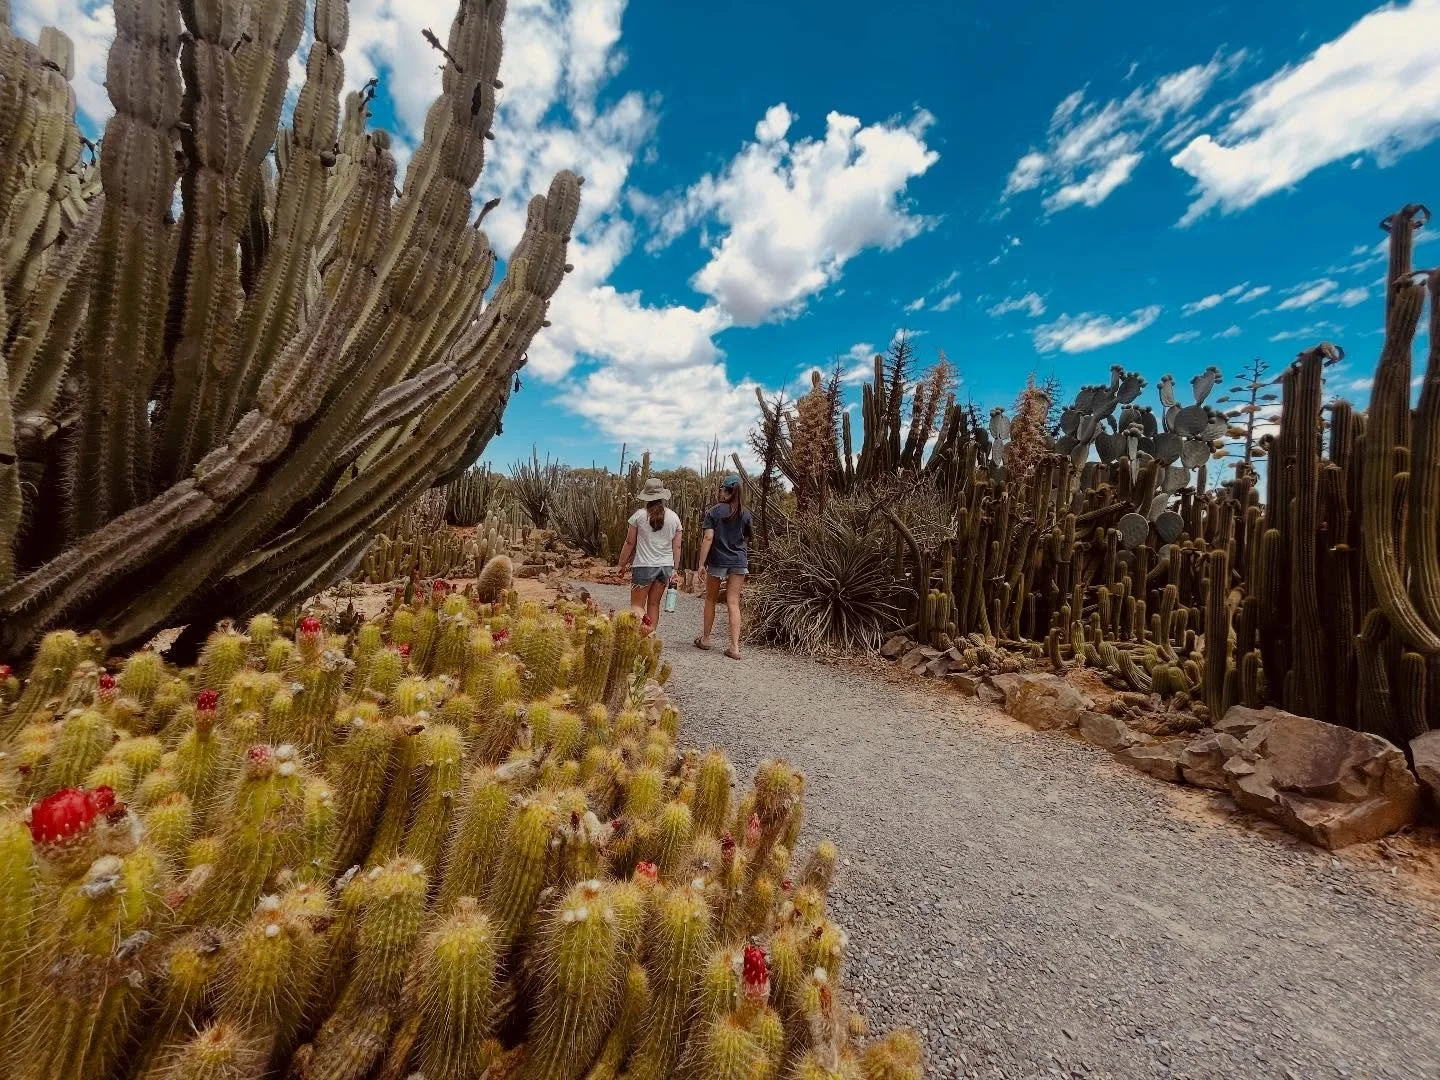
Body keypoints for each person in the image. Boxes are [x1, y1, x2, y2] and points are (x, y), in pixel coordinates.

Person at [695, 473, 752, 659]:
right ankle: (735, 647)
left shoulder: (714, 512)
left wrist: (701, 563)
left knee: (711, 599)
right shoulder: (746, 513)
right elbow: (746, 539)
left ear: (725, 490)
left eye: (721, 488)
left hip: (718, 560)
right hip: (738, 560)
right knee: (733, 602)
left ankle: (705, 639)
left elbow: (708, 537)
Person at [616, 477, 683, 630]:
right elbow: (677, 546)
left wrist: (621, 564)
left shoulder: (639, 516)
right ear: (662, 496)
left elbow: (629, 542)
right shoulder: (674, 517)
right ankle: (650, 638)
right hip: (665, 567)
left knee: (637, 606)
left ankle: (640, 640)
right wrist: (675, 569)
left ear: (646, 496)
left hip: (644, 566)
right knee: (654, 604)